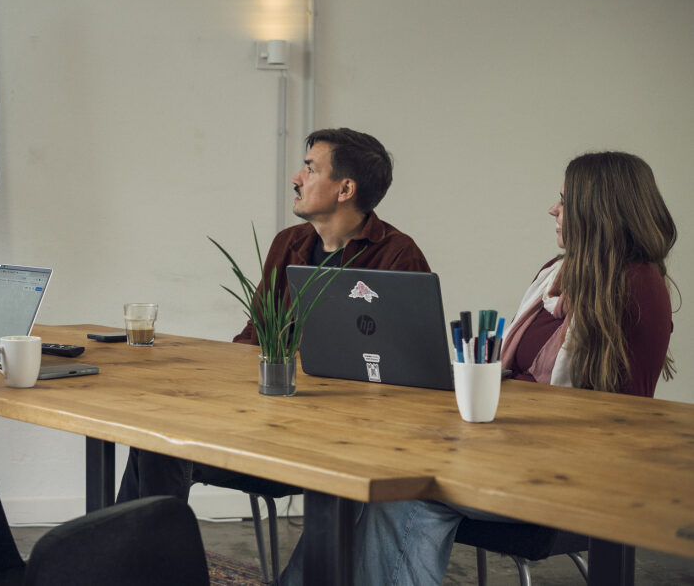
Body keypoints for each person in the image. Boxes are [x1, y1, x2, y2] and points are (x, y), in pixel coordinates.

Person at [334, 151, 677, 586]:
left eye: (565, 200)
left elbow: (623, 412)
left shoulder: (638, 284)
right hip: (511, 449)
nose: (553, 209)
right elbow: (515, 372)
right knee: (365, 482)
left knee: (404, 496)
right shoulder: (555, 275)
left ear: (599, 209)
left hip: (577, 474)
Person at [117, 127, 431, 502]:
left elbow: (410, 369)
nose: (297, 179)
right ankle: (138, 559)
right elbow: (256, 334)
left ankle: (139, 558)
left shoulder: (397, 255)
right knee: (155, 441)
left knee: (157, 449)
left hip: (345, 442)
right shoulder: (289, 243)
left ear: (345, 190)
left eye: (310, 169)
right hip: (267, 422)